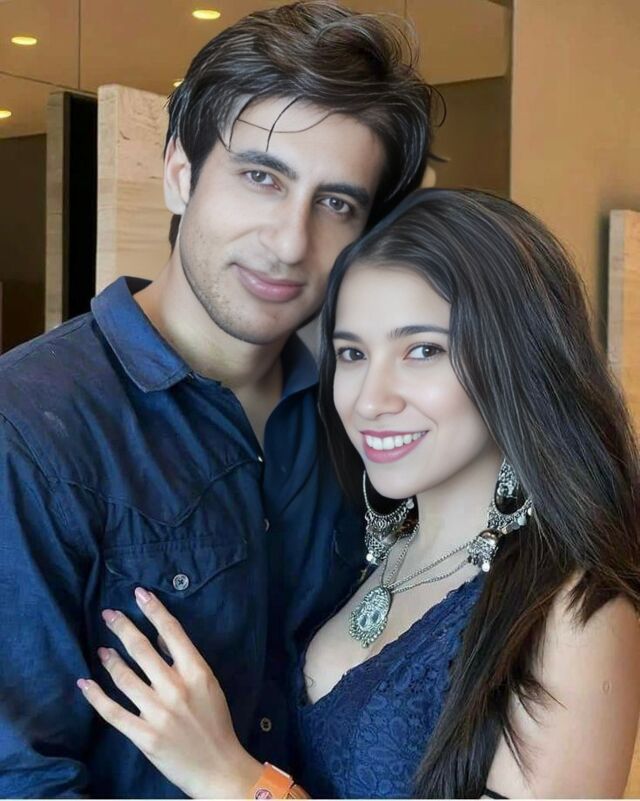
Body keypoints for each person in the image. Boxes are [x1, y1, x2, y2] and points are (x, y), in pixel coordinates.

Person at [0, 3, 436, 797]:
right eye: (261, 177)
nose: (290, 241)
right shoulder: (27, 427)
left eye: (336, 203)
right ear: (179, 171)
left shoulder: (362, 423)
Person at [79, 189, 640, 799]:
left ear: (518, 359)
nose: (370, 399)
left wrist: (230, 777)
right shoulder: (361, 549)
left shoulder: (578, 613)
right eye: (351, 353)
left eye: (422, 350)